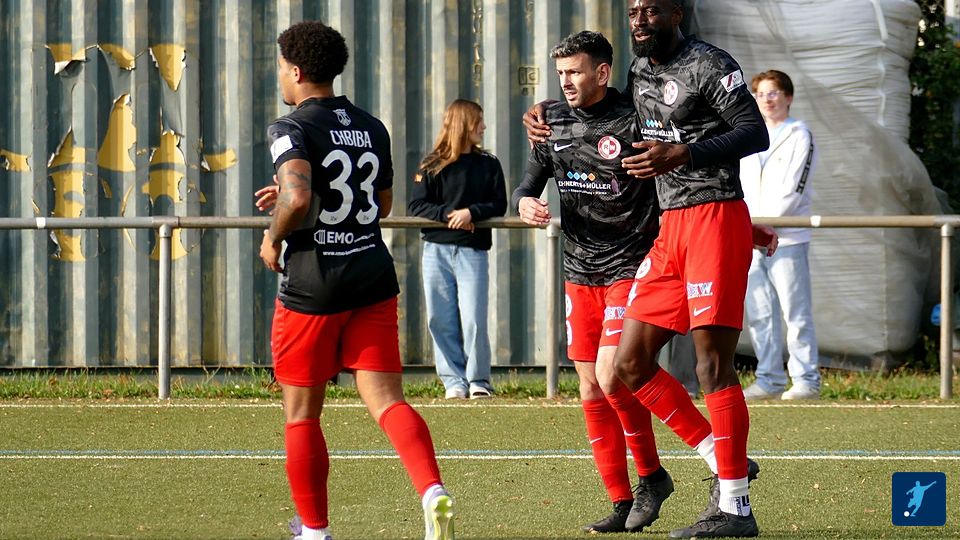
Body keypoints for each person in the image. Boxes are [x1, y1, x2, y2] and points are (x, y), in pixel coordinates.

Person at [524, 1, 769, 537]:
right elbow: (600, 111)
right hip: (671, 229)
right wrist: (546, 111)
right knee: (628, 365)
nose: (638, 19)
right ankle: (717, 458)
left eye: (650, 10)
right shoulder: (639, 72)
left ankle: (735, 506)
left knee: (711, 365)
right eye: (633, 10)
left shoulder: (709, 63)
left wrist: (684, 155)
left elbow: (754, 132)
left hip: (712, 217)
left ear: (676, 13)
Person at [257, 21, 454, 540]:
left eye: (281, 67)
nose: (280, 76)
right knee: (388, 401)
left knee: (301, 415)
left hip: (313, 282)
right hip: (371, 274)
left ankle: (315, 531)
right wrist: (295, 196)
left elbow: (298, 197)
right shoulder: (371, 125)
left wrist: (273, 235)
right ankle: (432, 491)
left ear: (296, 71)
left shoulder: (288, 127)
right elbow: (380, 204)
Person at [514, 30, 671, 534]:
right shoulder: (551, 121)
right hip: (579, 268)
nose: (566, 82)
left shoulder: (635, 117)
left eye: (575, 72)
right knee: (589, 387)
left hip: (631, 264)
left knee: (611, 374)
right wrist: (525, 202)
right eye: (560, 73)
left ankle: (653, 476)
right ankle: (622, 501)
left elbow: (675, 174)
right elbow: (528, 182)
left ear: (602, 72)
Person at [408, 99, 507, 400]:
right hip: (435, 251)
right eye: (479, 121)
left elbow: (499, 204)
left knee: (474, 318)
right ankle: (453, 381)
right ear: (464, 123)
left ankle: (479, 381)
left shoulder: (489, 164)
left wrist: (471, 213)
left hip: (472, 252)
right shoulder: (431, 164)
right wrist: (450, 216)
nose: (484, 127)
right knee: (440, 318)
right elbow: (416, 205)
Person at [740, 70, 820, 401]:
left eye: (773, 93)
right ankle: (769, 378)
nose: (767, 100)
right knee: (760, 312)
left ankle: (806, 379)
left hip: (788, 238)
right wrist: (750, 227)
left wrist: (770, 224)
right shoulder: (748, 136)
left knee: (795, 312)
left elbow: (795, 187)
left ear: (788, 97)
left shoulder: (800, 134)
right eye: (760, 94)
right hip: (750, 238)